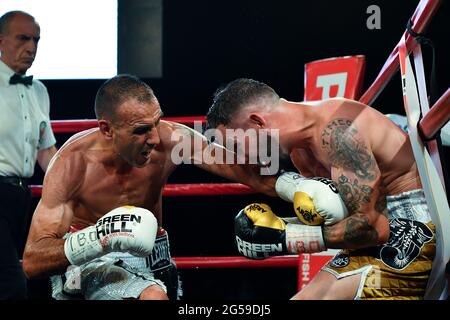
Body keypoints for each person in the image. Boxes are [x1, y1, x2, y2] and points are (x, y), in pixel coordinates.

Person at [22, 74, 281, 300]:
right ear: (107, 129)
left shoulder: (171, 140)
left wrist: (301, 187)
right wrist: (102, 237)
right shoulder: (72, 165)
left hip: (153, 260)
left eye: (157, 122)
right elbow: (33, 261)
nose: (155, 138)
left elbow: (243, 171)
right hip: (89, 265)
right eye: (142, 130)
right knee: (152, 296)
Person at [206, 78, 438, 300]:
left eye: (236, 144)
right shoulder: (299, 149)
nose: (242, 156)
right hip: (377, 233)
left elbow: (375, 228)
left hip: (417, 228)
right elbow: (339, 217)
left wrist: (285, 237)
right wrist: (277, 227)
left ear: (257, 121)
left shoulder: (337, 132)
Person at [0, 11, 57, 299]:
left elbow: (46, 153)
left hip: (23, 199)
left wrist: (76, 186)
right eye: (23, 38)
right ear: (1, 41)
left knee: (25, 275)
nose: (31, 47)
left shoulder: (39, 91)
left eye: (36, 40)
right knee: (11, 285)